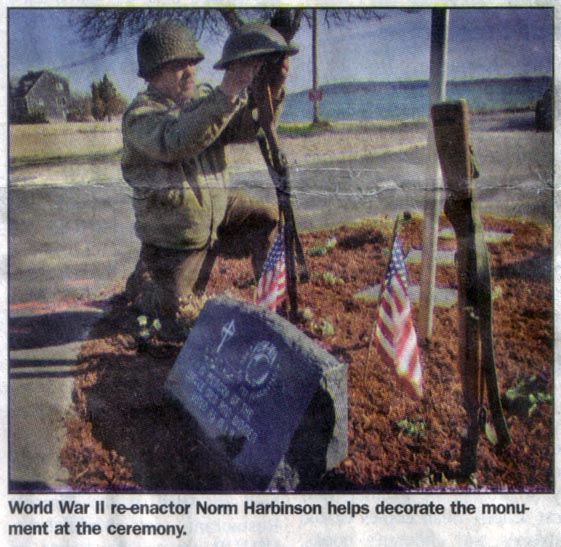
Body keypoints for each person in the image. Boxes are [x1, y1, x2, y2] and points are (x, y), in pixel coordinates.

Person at [121, 20, 297, 336]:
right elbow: (176, 140)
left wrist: (272, 86)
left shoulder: (204, 99)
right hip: (176, 237)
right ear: (152, 75)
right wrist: (228, 90)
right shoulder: (140, 117)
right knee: (178, 325)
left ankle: (271, 306)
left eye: (192, 62)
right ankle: (145, 282)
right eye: (177, 66)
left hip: (216, 214)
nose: (189, 72)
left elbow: (246, 128)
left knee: (267, 219)